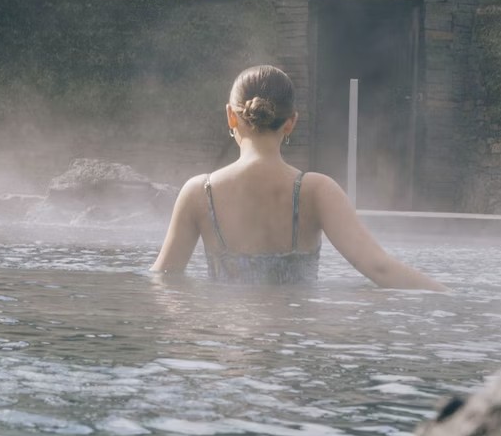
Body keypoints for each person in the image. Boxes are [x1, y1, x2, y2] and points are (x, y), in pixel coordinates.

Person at [151, 65, 445, 291]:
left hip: (228, 348)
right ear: (291, 122)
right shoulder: (317, 191)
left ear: (231, 116)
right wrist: (449, 295)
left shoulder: (199, 193)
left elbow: (163, 280)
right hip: (295, 342)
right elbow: (380, 269)